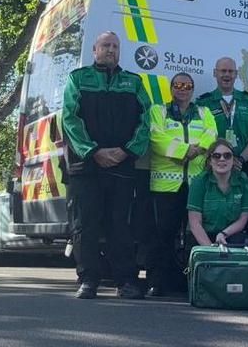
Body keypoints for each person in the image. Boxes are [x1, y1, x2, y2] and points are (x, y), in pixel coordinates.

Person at [63, 31, 151, 300]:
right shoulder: (78, 79)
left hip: (122, 168)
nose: (110, 50)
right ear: (94, 50)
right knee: (86, 225)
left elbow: (146, 121)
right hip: (86, 168)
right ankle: (88, 279)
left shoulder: (133, 82)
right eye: (105, 45)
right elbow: (69, 118)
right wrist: (93, 151)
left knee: (119, 226)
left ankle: (126, 281)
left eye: (115, 46)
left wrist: (127, 151)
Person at [146, 73, 217, 296]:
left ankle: (194, 281)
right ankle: (157, 282)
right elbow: (156, 138)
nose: (182, 89)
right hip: (166, 186)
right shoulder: (159, 111)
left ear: (193, 89)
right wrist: (185, 151)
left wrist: (199, 149)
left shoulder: (203, 112)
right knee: (162, 235)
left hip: (196, 184)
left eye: (187, 85)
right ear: (172, 89)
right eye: (178, 85)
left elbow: (212, 133)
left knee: (197, 234)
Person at [196, 57, 248, 243]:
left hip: (244, 164)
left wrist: (241, 160)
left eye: (230, 71)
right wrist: (222, 159)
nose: (226, 75)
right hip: (216, 165)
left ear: (236, 74)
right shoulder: (204, 103)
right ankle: (213, 244)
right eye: (223, 71)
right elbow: (200, 134)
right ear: (215, 73)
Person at [187, 139, 248, 245]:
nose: (222, 159)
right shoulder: (199, 182)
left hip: (230, 234)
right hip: (202, 236)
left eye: (227, 156)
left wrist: (223, 234)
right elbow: (195, 223)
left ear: (234, 160)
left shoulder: (243, 181)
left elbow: (242, 220)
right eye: (216, 156)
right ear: (209, 161)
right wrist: (211, 251)